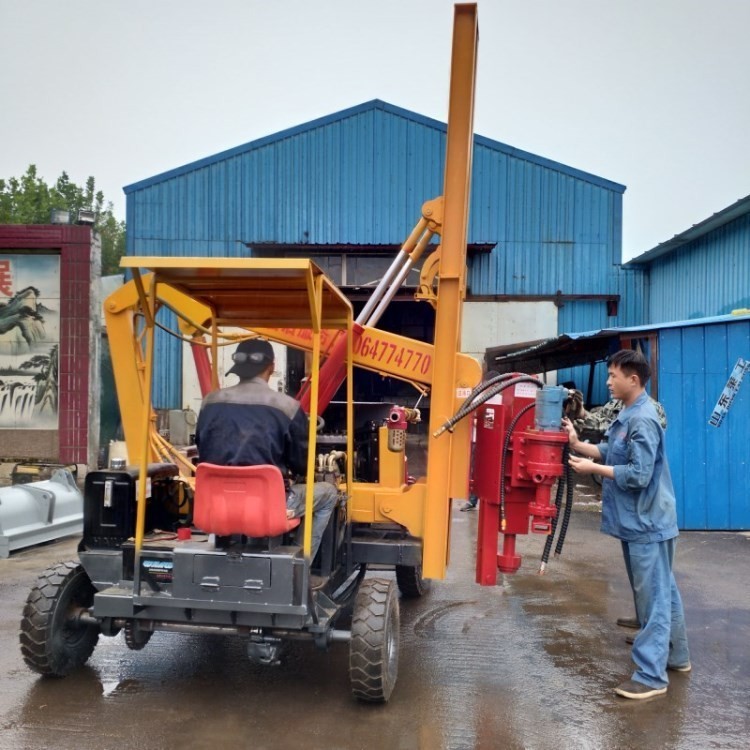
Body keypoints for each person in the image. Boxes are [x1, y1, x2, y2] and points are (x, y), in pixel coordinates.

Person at [562, 349, 690, 700]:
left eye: (613, 376)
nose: (608, 381)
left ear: (633, 380)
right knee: (665, 592)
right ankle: (677, 658)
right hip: (640, 519)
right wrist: (579, 445)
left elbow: (638, 475)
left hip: (648, 520)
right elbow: (613, 450)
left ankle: (651, 676)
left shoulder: (644, 418)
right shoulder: (628, 413)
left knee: (653, 601)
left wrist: (593, 472)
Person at [195, 338, 337, 560]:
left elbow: (202, 448)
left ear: (238, 368)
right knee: (328, 493)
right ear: (271, 367)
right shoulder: (288, 407)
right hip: (266, 506)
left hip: (215, 504)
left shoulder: (209, 402)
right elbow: (301, 464)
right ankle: (301, 564)